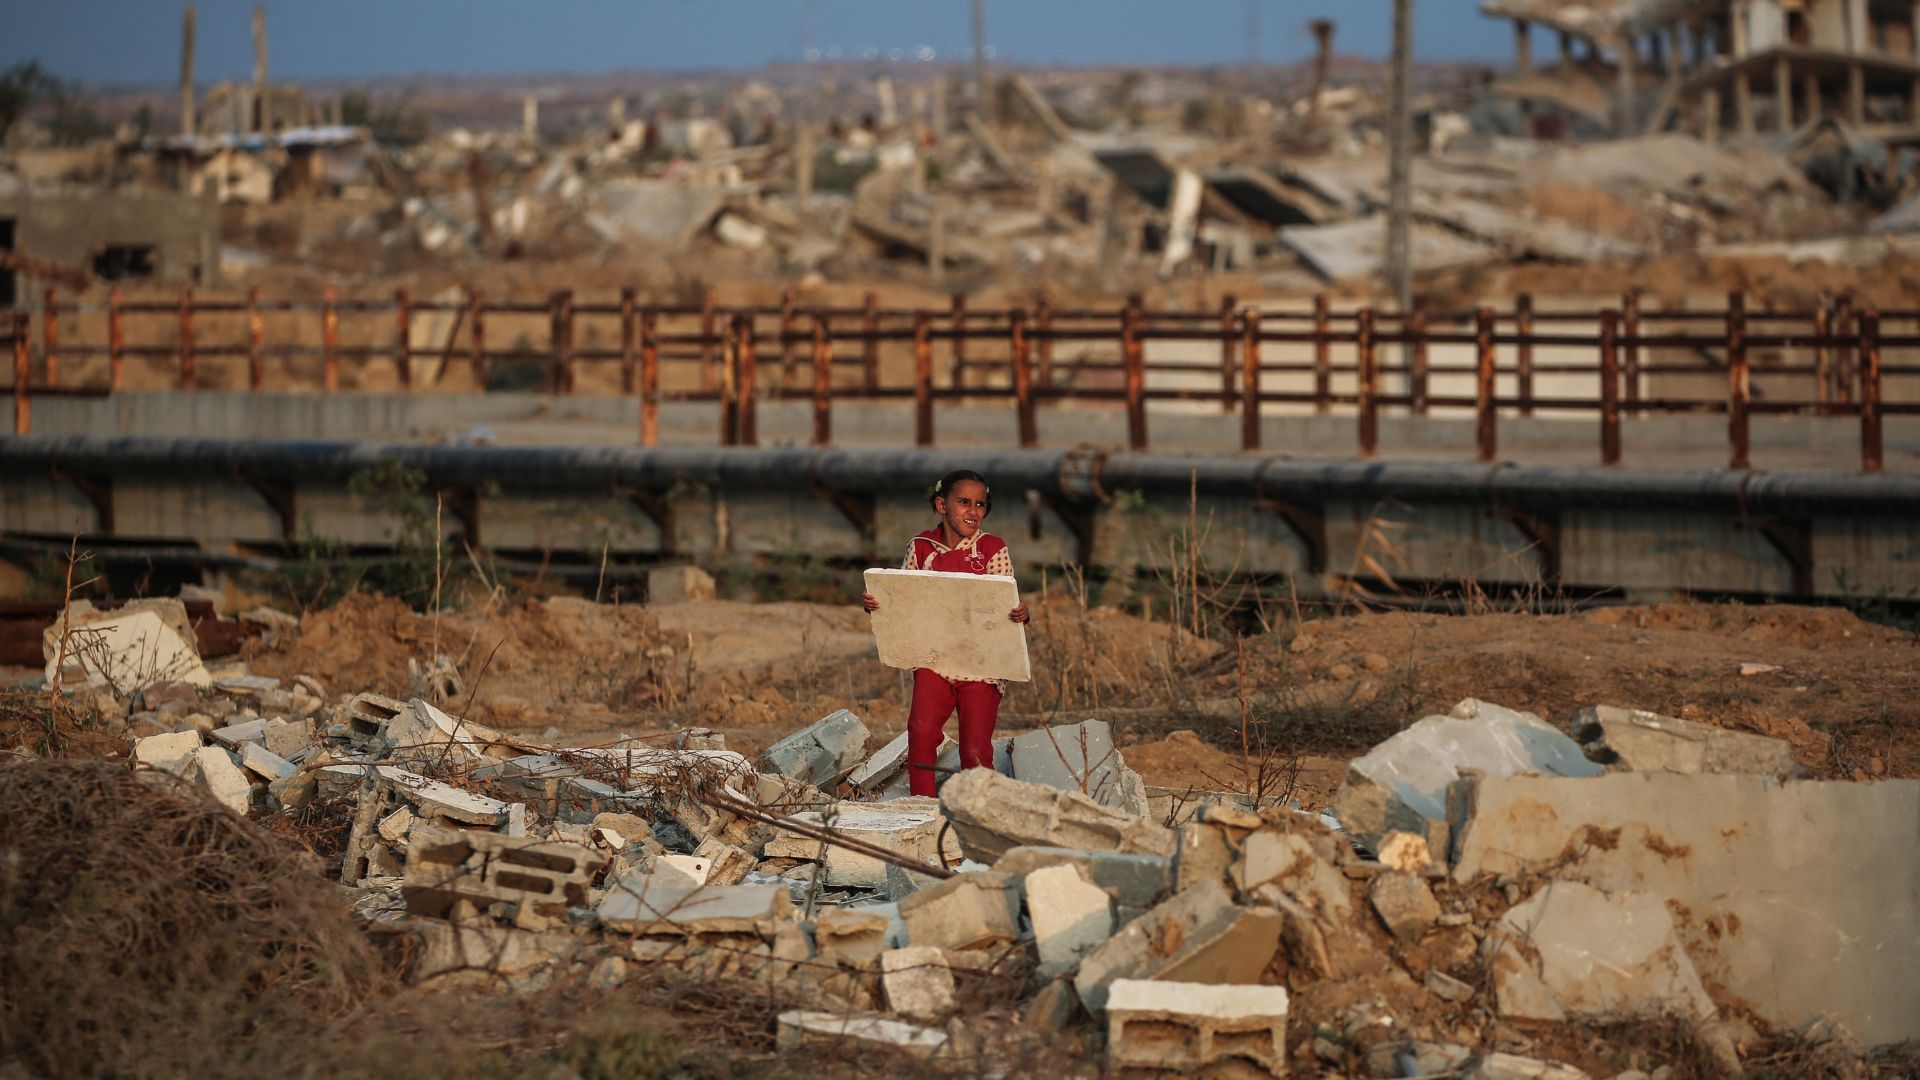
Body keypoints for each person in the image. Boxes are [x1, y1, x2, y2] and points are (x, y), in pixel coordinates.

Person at [862, 469, 1029, 797]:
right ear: (941, 504)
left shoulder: (993, 549)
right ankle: (921, 810)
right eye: (964, 502)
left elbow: (1002, 603)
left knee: (975, 749)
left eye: (980, 504)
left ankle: (979, 814)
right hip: (934, 658)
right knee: (921, 732)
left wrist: (1021, 613)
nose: (973, 511)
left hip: (981, 666)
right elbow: (904, 599)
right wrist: (878, 604)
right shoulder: (921, 547)